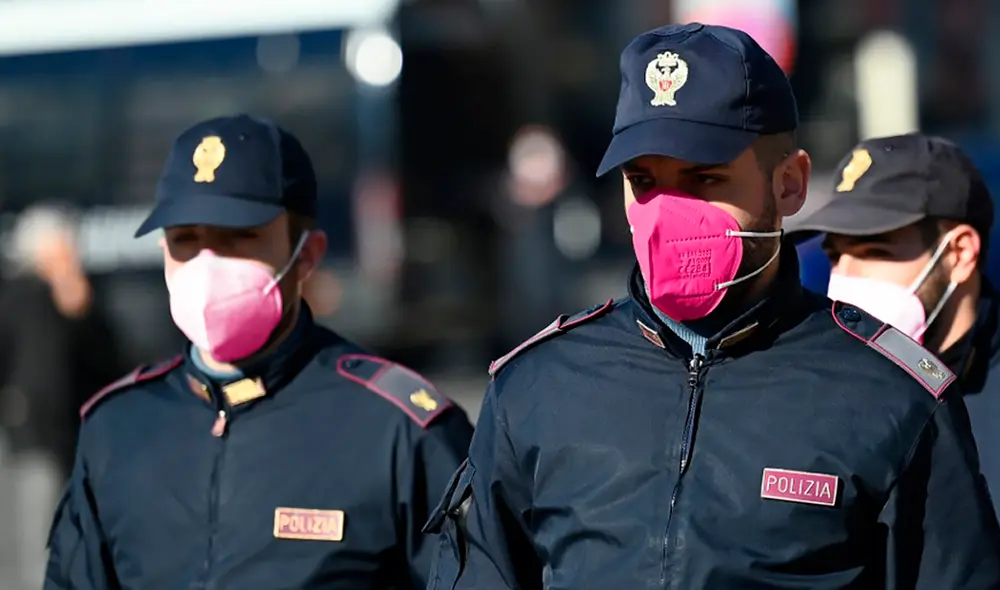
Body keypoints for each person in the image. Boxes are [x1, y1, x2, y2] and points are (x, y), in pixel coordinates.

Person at [422, 23, 1000, 589]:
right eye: (644, 181)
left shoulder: (892, 396)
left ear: (789, 184)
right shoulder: (537, 386)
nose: (668, 214)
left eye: (703, 179)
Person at [44, 115, 474, 590]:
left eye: (238, 238)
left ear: (307, 254)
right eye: (185, 240)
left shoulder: (398, 430)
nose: (206, 265)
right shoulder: (118, 427)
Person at [784, 132, 1000, 511]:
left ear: (959, 253)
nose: (844, 278)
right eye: (835, 257)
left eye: (875, 251)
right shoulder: (817, 389)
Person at [0, 203, 122, 590]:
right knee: (34, 532)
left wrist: (81, 308)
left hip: (74, 435)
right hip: (29, 434)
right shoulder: (18, 295)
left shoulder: (81, 295)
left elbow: (107, 360)